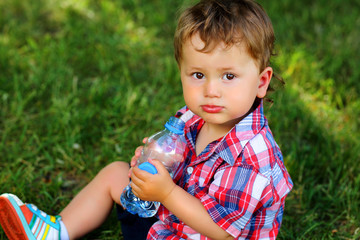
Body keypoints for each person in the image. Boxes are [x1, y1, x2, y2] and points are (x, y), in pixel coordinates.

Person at [0, 0, 293, 239]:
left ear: (261, 82)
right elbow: (178, 164)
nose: (210, 91)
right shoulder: (193, 116)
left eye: (229, 76)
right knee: (117, 173)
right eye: (198, 75)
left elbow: (222, 231)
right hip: (173, 222)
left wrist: (165, 191)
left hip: (207, 232)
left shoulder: (253, 157)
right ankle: (56, 231)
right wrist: (153, 164)